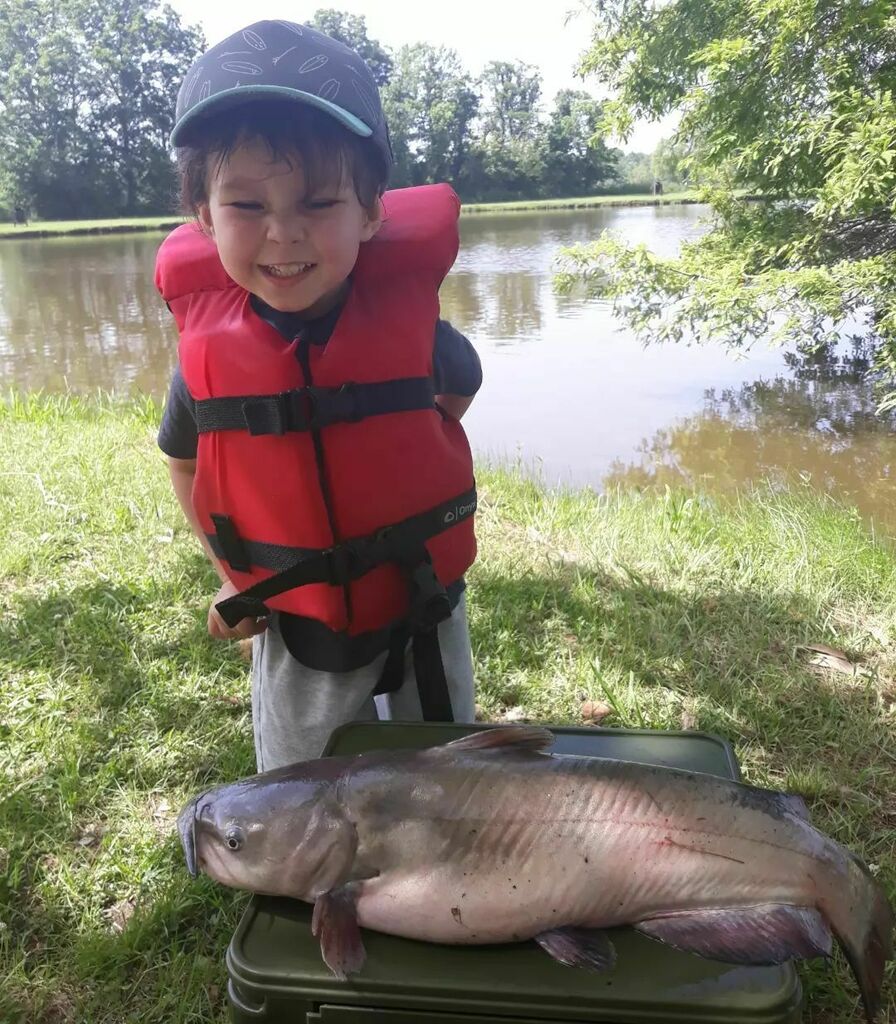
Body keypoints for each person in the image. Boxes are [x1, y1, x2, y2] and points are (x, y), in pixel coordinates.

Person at [155, 20, 482, 772]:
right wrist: (234, 574)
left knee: (447, 770)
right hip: (298, 617)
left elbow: (456, 389)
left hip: (423, 592)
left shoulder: (414, 331)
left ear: (371, 212)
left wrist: (400, 473)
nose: (283, 234)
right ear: (204, 218)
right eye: (246, 207)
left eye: (319, 202)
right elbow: (183, 463)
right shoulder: (205, 360)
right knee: (300, 784)